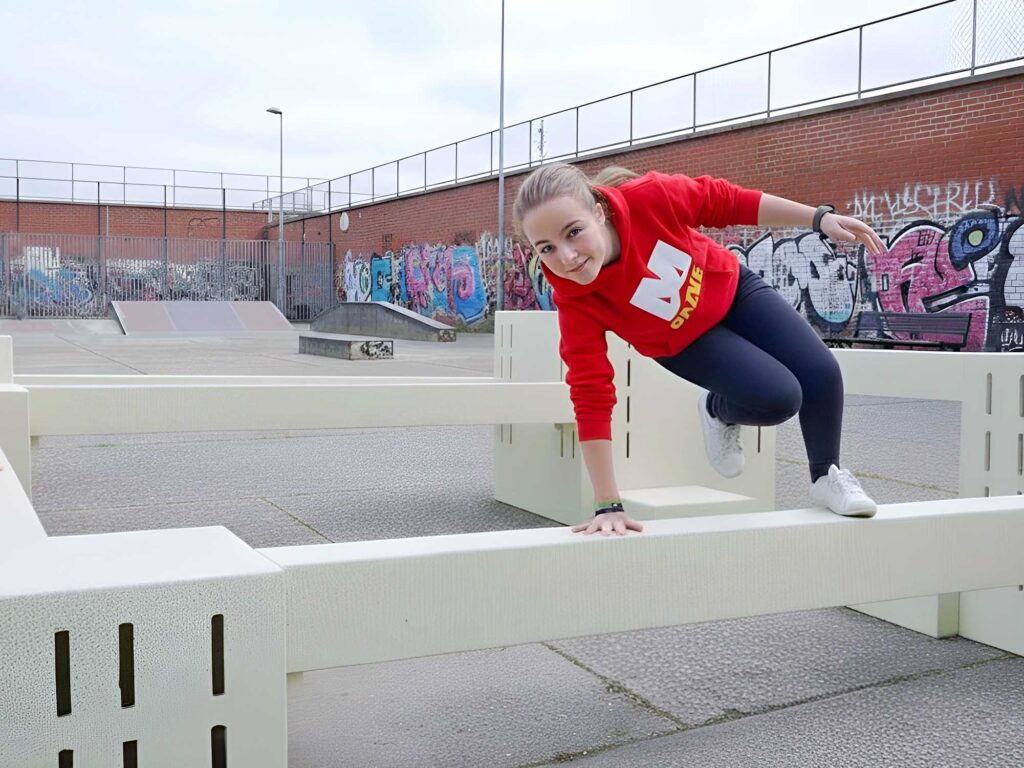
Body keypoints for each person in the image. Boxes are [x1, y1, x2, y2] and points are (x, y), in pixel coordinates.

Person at [512, 163, 886, 537]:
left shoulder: (649, 198)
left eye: (573, 233)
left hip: (732, 289)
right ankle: (716, 409)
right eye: (547, 248)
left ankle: (826, 476)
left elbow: (725, 200)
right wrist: (608, 504)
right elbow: (590, 391)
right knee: (780, 398)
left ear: (597, 212)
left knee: (821, 371)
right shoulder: (576, 299)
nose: (567, 257)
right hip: (684, 343)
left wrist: (818, 218)